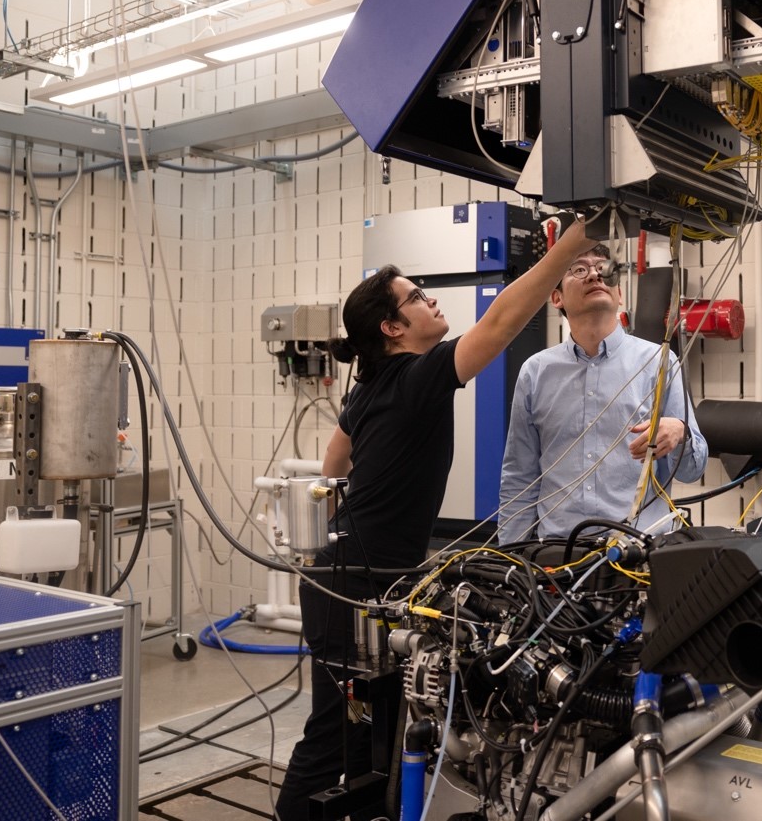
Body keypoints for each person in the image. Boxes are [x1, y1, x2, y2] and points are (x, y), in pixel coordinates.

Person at [274, 218, 597, 821]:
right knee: (336, 739)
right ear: (393, 328)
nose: (432, 300)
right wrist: (570, 246)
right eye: (418, 297)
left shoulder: (372, 386)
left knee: (383, 736)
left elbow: (336, 459)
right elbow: (500, 324)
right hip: (357, 585)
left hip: (354, 575)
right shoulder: (418, 379)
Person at [497, 244, 708, 545]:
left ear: (619, 293)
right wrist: (513, 557)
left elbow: (692, 470)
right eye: (579, 269)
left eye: (603, 268)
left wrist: (680, 432)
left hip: (638, 552)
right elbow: (520, 476)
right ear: (556, 297)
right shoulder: (536, 372)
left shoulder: (659, 362)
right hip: (559, 554)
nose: (595, 275)